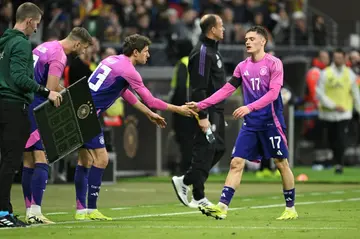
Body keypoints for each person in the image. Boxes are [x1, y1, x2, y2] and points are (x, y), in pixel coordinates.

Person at [74, 34, 197, 221]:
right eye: (146, 52)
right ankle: (91, 209)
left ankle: (81, 210)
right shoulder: (129, 70)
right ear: (136, 52)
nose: (148, 56)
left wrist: (149, 113)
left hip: (79, 109)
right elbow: (151, 100)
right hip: (89, 115)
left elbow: (124, 92)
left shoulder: (112, 60)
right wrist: (178, 109)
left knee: (84, 161)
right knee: (102, 160)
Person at [187, 26, 298, 220]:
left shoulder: (274, 64)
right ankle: (222, 207)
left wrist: (249, 107)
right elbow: (226, 90)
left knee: (281, 163)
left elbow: (273, 94)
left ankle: (290, 208)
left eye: (252, 38)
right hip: (251, 124)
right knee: (236, 162)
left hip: (271, 122)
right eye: (246, 39)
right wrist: (201, 104)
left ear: (263, 41)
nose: (247, 42)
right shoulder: (242, 66)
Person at [21, 27, 93, 224]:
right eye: (84, 48)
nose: (83, 52)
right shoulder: (59, 57)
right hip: (36, 107)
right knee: (42, 158)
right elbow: (50, 91)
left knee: (28, 161)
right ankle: (35, 212)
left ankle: (29, 210)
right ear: (77, 44)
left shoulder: (46, 46)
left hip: (23, 104)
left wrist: (66, 90)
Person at [0, 2, 62, 228]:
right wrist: (47, 91)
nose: (35, 29)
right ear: (28, 21)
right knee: (9, 162)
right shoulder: (21, 44)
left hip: (3, 104)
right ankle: (2, 213)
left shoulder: (3, 42)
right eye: (35, 24)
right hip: (14, 106)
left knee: (7, 161)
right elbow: (19, 77)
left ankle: (5, 210)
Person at [172, 14, 226, 209]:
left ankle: (188, 183)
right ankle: (196, 192)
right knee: (205, 149)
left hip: (216, 110)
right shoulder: (202, 53)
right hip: (207, 110)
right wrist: (202, 115)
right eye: (221, 26)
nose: (224, 29)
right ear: (212, 29)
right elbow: (198, 88)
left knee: (217, 148)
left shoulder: (213, 51)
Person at [316, 48, 360, 174]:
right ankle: (336, 161)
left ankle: (339, 164)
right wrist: (334, 106)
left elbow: (355, 94)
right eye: (335, 57)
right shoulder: (326, 73)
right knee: (331, 140)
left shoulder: (349, 74)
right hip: (328, 114)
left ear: (344, 58)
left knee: (341, 139)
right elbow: (320, 94)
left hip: (344, 114)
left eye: (340, 57)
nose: (337, 60)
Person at [169, 39, 194, 174]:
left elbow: (180, 87)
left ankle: (185, 168)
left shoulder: (183, 63)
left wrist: (176, 108)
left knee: (184, 139)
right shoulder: (195, 62)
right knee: (192, 139)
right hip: (196, 106)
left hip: (184, 107)